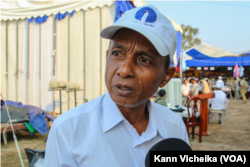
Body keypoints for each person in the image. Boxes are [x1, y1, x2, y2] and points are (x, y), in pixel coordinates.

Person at [44, 5, 189, 167]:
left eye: (144, 60)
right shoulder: (68, 130)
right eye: (117, 53)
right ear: (107, 57)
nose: (125, 70)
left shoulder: (175, 127)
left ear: (166, 76)